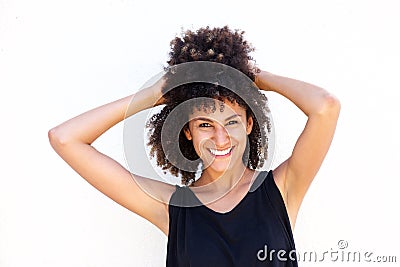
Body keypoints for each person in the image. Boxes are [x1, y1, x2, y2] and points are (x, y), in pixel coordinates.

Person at [48, 26, 340, 266]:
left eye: (232, 122)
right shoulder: (171, 207)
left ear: (250, 124)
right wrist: (154, 93)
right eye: (204, 125)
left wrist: (251, 77)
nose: (221, 138)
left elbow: (326, 107)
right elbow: (65, 138)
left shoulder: (282, 189)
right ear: (187, 131)